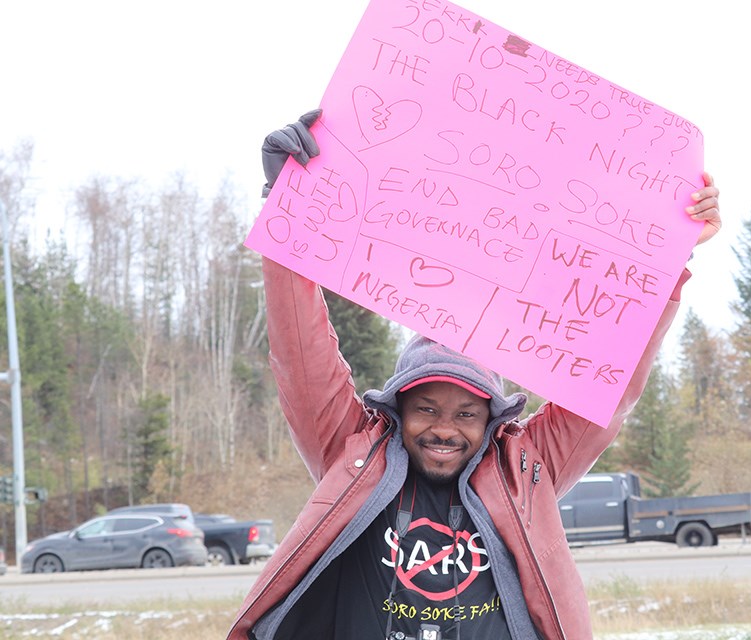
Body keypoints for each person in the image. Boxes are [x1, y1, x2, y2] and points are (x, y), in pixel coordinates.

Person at [226, 110, 721, 640]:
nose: (445, 428)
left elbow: (611, 384)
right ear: (397, 410)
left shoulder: (528, 472)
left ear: (490, 418)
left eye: (466, 413)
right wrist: (290, 208)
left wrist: (665, 260)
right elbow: (301, 358)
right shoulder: (351, 453)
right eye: (427, 409)